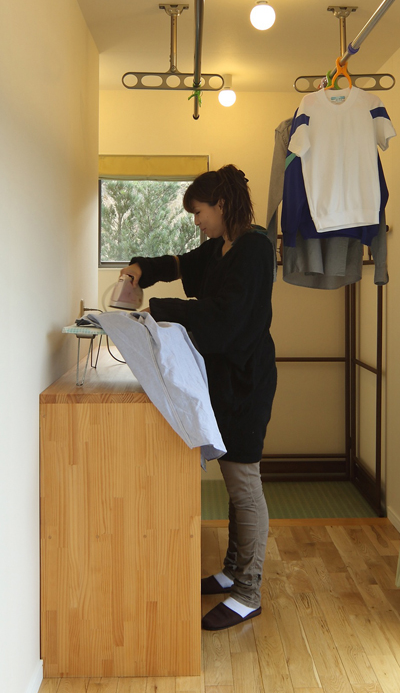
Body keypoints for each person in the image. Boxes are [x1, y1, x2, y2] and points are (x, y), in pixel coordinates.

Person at [120, 164, 277, 631]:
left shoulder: (254, 249)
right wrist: (141, 269)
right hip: (222, 381)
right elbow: (179, 264)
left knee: (244, 483)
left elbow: (225, 319)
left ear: (221, 205)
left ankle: (248, 591)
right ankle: (231, 571)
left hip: (247, 382)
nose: (197, 220)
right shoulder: (220, 246)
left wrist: (158, 309)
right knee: (233, 477)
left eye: (200, 211)